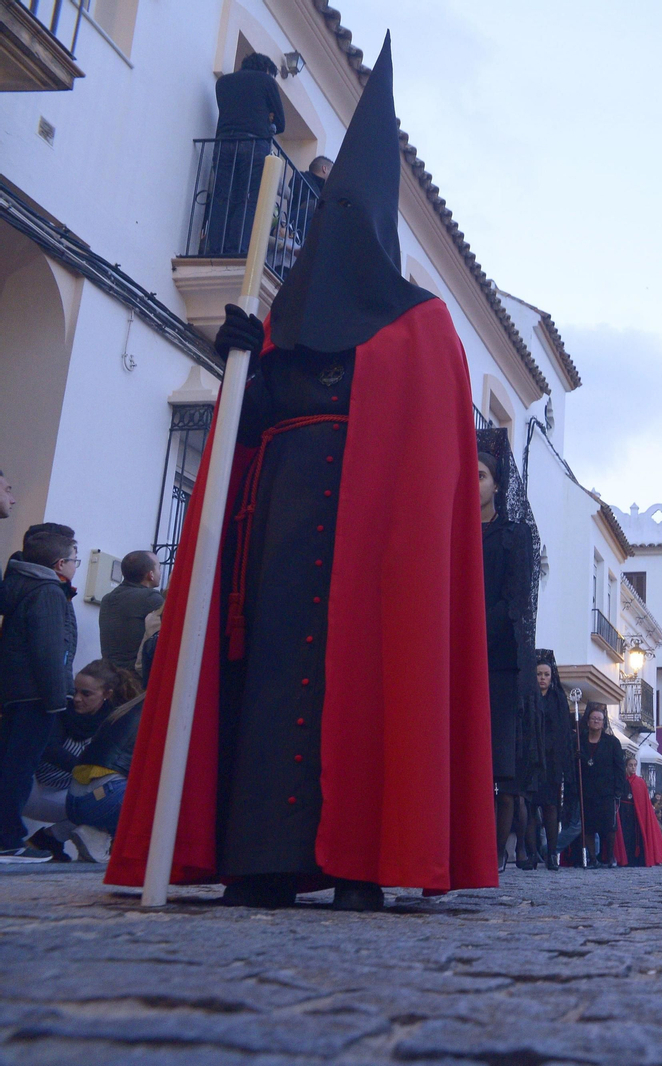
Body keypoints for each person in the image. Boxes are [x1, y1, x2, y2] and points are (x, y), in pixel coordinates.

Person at [107, 38, 496, 910]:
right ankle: (263, 859)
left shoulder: (423, 326)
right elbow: (245, 434)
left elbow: (425, 465)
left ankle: (362, 860)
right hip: (275, 546)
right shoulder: (281, 325)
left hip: (371, 556)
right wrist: (239, 362)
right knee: (266, 686)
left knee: (362, 690)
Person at [0, 526, 79, 862]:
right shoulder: (47, 591)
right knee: (19, 769)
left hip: (16, 691)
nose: (75, 565)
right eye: (74, 559)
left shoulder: (23, 584)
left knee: (10, 764)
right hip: (37, 695)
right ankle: (8, 839)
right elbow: (48, 651)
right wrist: (57, 699)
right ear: (60, 564)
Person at [478, 430, 537, 871]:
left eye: (481, 475)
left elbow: (515, 600)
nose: (473, 482)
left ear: (497, 484)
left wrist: (475, 630)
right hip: (453, 658)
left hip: (497, 660)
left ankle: (493, 851)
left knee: (495, 765)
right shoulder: (450, 529)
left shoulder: (515, 536)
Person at [23, 660, 137, 861]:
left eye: (86, 694)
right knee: (109, 798)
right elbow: (50, 750)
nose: (76, 699)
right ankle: (56, 838)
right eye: (75, 691)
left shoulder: (114, 720)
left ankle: (52, 838)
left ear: (107, 694)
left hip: (70, 793)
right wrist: (86, 768)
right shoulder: (60, 712)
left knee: (117, 794)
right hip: (37, 791)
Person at [206, 52, 286, 256]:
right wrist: (268, 118)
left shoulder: (223, 83)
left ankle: (214, 248)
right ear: (267, 70)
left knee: (222, 197)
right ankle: (237, 249)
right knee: (249, 198)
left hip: (223, 144)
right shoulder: (266, 81)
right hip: (253, 144)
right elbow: (281, 123)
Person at [528, 652, 575, 870]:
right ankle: (531, 853)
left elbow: (564, 733)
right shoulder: (528, 696)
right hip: (531, 759)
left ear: (551, 676)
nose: (542, 678)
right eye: (539, 674)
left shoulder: (558, 700)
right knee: (530, 807)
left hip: (552, 761)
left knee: (551, 807)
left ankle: (552, 854)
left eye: (546, 674)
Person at [576, 706, 625, 868]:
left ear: (603, 723)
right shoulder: (580, 741)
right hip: (587, 790)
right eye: (593, 718)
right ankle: (592, 858)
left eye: (599, 719)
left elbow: (619, 767)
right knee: (588, 826)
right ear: (588, 721)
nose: (596, 721)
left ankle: (609, 856)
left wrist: (618, 789)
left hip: (606, 790)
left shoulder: (612, 742)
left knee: (608, 826)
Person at [98, 551, 163, 671]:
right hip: (135, 676)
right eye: (159, 568)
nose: (160, 572)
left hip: (109, 673)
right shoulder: (150, 598)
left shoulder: (107, 598)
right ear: (151, 575)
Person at [617, 755, 662, 867]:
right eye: (630, 765)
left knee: (636, 836)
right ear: (626, 766)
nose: (633, 767)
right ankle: (624, 859)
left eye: (635, 765)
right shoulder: (621, 780)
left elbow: (643, 801)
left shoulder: (640, 782)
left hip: (635, 814)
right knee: (624, 836)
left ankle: (636, 859)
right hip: (623, 812)